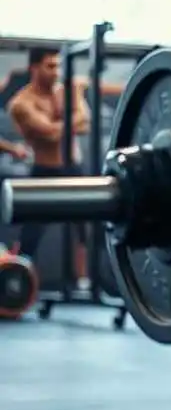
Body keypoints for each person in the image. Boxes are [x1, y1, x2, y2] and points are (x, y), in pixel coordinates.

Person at [7, 47, 91, 284]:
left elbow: (86, 122)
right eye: (50, 66)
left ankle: (82, 282)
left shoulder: (67, 90)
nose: (57, 72)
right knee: (32, 233)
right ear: (34, 68)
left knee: (84, 228)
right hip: (45, 170)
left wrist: (65, 122)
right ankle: (18, 282)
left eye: (58, 66)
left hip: (73, 168)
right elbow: (51, 133)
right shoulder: (22, 103)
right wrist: (73, 118)